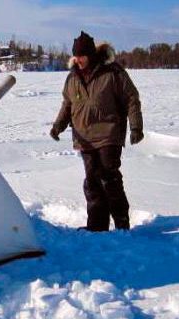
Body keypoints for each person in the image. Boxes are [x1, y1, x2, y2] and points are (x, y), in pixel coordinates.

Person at [49, 31, 144, 231]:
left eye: (82, 55)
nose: (78, 59)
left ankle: (122, 224)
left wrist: (136, 127)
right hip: (84, 138)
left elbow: (131, 99)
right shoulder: (72, 77)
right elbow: (68, 105)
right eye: (76, 55)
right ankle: (97, 226)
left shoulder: (113, 72)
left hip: (109, 134)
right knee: (92, 182)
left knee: (109, 178)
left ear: (91, 54)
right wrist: (58, 126)